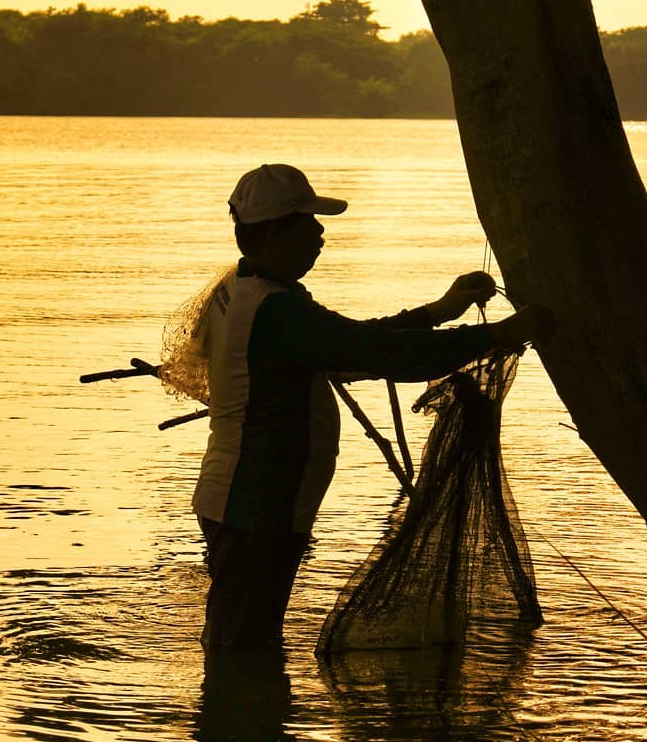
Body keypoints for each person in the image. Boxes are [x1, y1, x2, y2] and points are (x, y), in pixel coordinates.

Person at [194, 162, 548, 651]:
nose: (320, 233)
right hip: (256, 503)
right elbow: (380, 355)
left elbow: (348, 345)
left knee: (242, 635)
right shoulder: (276, 310)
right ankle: (237, 720)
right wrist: (496, 335)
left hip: (238, 496)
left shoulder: (243, 291)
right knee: (243, 645)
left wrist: (439, 313)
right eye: (307, 222)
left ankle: (239, 715)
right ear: (276, 232)